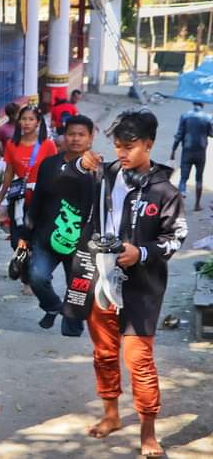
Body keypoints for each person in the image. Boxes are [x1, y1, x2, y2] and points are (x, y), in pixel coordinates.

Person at [76, 109, 187, 458]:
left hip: (142, 287)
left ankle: (148, 430)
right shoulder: (104, 175)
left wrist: (142, 252)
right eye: (118, 146)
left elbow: (176, 237)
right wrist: (79, 164)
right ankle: (111, 415)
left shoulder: (165, 191)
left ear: (149, 144)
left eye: (129, 146)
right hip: (101, 278)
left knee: (138, 359)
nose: (122, 153)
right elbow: (61, 180)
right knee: (103, 353)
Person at [22, 115, 96, 337]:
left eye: (81, 134)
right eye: (71, 134)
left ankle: (72, 332)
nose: (76, 139)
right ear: (64, 136)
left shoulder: (98, 171)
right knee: (37, 277)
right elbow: (37, 200)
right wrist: (26, 233)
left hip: (81, 242)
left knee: (78, 289)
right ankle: (53, 306)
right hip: (47, 236)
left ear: (90, 138)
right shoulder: (49, 165)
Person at [0, 105, 57, 290]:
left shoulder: (47, 145)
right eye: (24, 119)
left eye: (31, 119)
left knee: (37, 239)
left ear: (38, 122)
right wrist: (0, 197)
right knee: (16, 241)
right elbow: (9, 173)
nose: (26, 123)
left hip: (41, 199)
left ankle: (33, 278)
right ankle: (27, 274)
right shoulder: (12, 144)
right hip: (19, 199)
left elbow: (54, 171)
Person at [170, 101, 213, 211]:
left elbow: (179, 134)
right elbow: (211, 133)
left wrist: (173, 150)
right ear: (203, 104)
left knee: (183, 178)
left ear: (193, 103)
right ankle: (197, 205)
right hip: (200, 152)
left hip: (187, 150)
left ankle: (181, 197)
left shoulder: (185, 116)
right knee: (199, 178)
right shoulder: (207, 118)